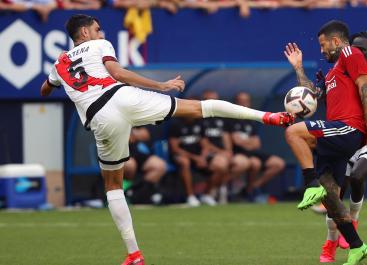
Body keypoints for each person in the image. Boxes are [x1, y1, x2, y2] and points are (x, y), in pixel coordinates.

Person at [40, 14, 293, 265]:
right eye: (97, 29)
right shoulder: (99, 45)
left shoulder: (59, 64)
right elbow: (117, 72)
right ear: (84, 33)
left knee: (113, 186)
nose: (101, 32)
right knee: (199, 108)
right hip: (122, 97)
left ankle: (134, 255)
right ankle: (268, 117)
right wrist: (160, 86)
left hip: (100, 117)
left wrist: (53, 86)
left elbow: (45, 89)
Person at [283, 20, 367, 265]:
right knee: (331, 196)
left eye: (323, 45)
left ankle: (309, 183)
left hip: (348, 129)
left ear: (336, 41)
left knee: (294, 133)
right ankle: (357, 246)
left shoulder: (350, 53)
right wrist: (299, 68)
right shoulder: (334, 71)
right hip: (335, 132)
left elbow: (365, 85)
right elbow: (309, 97)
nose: (322, 50)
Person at [315, 31, 367, 262]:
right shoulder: (345, 72)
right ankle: (330, 242)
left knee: (358, 175)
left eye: (363, 50)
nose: (357, 53)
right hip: (353, 135)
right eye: (354, 49)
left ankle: (355, 219)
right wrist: (323, 89)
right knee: (334, 194)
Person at [229, 92, 286, 202]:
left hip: (252, 152)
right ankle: (235, 192)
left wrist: (246, 142)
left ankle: (252, 188)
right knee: (255, 163)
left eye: (246, 101)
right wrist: (248, 142)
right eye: (241, 102)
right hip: (238, 153)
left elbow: (256, 144)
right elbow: (237, 142)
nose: (244, 104)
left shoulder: (251, 120)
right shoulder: (230, 120)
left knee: (278, 163)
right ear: (235, 103)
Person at [200, 90, 251, 204]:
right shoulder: (200, 119)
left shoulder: (223, 118)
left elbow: (226, 136)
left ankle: (221, 186)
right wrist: (221, 152)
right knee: (221, 164)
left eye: (215, 100)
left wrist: (228, 151)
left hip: (223, 153)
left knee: (243, 163)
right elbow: (203, 142)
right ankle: (209, 193)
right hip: (208, 153)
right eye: (210, 101)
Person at [124, 126, 167, 205]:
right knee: (130, 165)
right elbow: (126, 138)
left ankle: (135, 191)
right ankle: (124, 192)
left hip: (140, 155)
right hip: (123, 155)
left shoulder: (141, 119)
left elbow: (145, 135)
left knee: (160, 165)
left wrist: (132, 133)